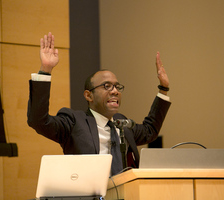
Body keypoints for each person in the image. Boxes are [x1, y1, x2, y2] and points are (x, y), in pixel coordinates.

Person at [27, 32, 171, 176]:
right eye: (107, 86)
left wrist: (163, 89)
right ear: (88, 95)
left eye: (117, 86)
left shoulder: (122, 124)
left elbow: (150, 131)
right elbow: (38, 121)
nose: (115, 91)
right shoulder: (73, 122)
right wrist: (45, 71)